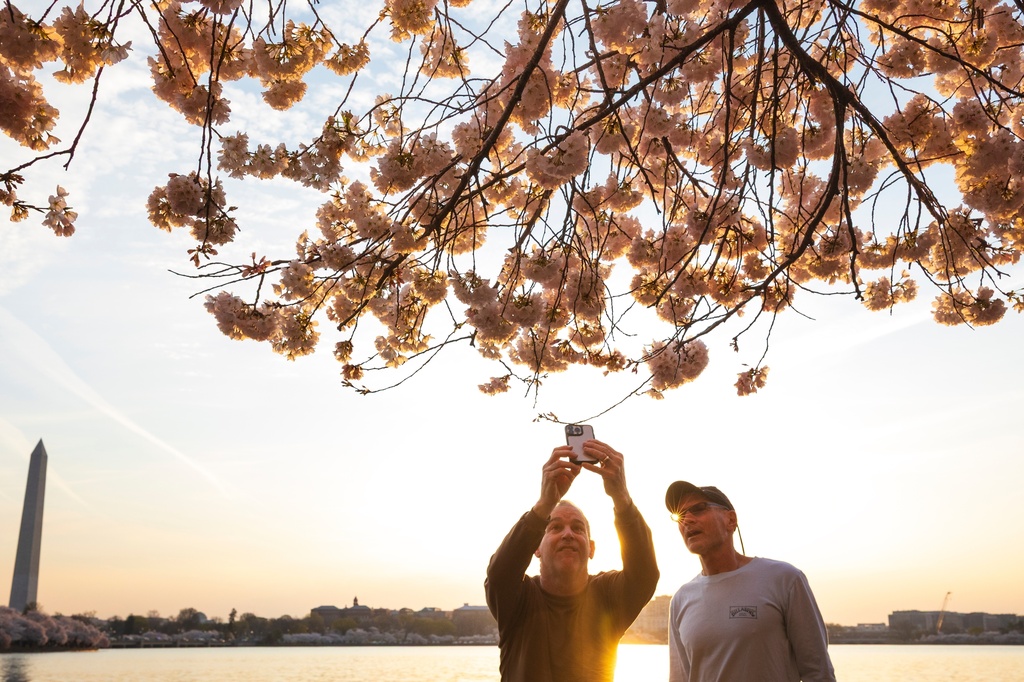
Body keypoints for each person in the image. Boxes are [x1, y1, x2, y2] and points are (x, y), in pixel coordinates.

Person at [485, 440, 660, 682]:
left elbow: (644, 574)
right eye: (555, 527)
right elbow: (499, 575)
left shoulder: (607, 596)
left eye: (578, 528)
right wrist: (544, 504)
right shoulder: (517, 600)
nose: (568, 534)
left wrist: (621, 496)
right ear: (536, 547)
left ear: (591, 548)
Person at [665, 480, 836, 682]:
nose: (687, 520)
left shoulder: (784, 579)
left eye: (699, 509)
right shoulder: (681, 600)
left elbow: (818, 672)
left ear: (731, 520)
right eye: (681, 515)